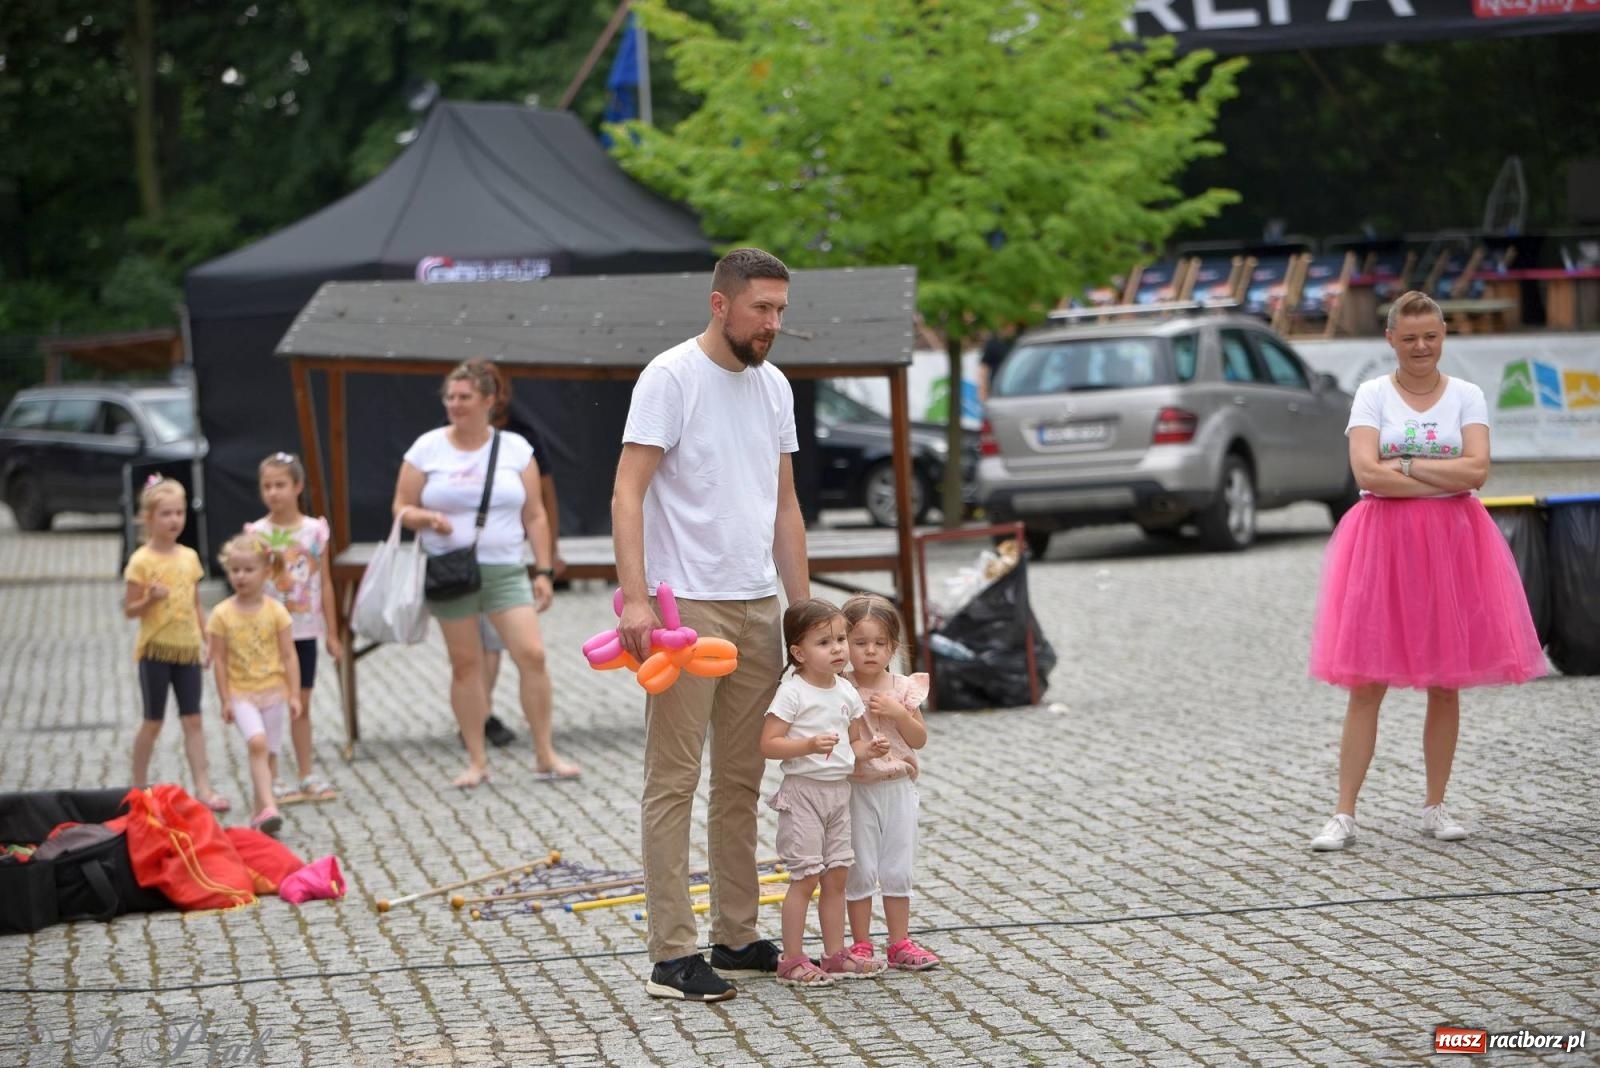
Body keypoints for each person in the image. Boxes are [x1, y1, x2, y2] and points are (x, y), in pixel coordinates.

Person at [612, 247, 809, 1002]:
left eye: (782, 310)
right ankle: (671, 953)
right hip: (683, 605)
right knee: (674, 780)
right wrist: (635, 598)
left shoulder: (775, 385)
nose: (774, 324)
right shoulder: (670, 377)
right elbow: (627, 493)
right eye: (762, 308)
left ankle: (735, 933)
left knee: (743, 777)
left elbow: (784, 505)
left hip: (759, 603)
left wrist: (802, 614)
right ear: (721, 304)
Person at [1306, 291, 1545, 852]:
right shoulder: (1371, 394)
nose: (1421, 347)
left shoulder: (1467, 394)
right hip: (1382, 542)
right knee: (1366, 684)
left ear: (1443, 336)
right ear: (1390, 339)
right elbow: (1366, 469)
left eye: (1431, 336)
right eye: (1409, 337)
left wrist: (1407, 464)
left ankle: (1435, 806)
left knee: (1445, 682)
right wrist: (1441, 473)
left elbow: (1478, 471)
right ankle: (1344, 813)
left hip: (1452, 544)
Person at [392, 358, 575, 788]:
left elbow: (535, 515)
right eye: (449, 397)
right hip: (449, 570)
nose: (455, 405)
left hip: (506, 567)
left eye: (464, 397)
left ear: (488, 401)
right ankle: (476, 760)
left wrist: (544, 570)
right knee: (465, 664)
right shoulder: (427, 448)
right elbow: (400, 507)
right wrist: (423, 517)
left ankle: (545, 753)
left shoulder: (515, 449)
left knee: (532, 654)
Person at [761, 598, 888, 987]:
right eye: (824, 642)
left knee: (837, 876)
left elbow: (851, 746)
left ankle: (834, 955)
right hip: (803, 794)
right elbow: (769, 744)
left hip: (838, 794)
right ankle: (792, 959)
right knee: (805, 877)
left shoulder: (846, 692)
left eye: (840, 639)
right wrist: (808, 745)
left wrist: (871, 749)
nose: (837, 649)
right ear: (798, 652)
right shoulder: (792, 692)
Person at [841, 594, 940, 971]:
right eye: (860, 643)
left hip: (896, 786)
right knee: (859, 866)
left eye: (879, 644)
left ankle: (899, 941)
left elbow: (919, 740)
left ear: (893, 647)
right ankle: (861, 943)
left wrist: (900, 713)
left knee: (898, 865)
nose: (870, 652)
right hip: (855, 787)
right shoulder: (840, 687)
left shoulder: (903, 687)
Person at [123, 477, 224, 810]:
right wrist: (149, 600)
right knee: (153, 721)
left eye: (179, 513)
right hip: (155, 651)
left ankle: (204, 788)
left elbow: (196, 604)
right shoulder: (141, 560)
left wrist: (207, 638)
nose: (174, 520)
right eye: (166, 513)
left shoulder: (190, 558)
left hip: (187, 650)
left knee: (193, 719)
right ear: (149, 517)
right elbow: (129, 610)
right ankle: (137, 787)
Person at [248, 452, 342, 799]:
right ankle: (271, 776)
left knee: (301, 702)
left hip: (303, 631)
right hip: (268, 634)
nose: (273, 493)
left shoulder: (314, 530)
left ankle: (306, 772)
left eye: (280, 485)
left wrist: (331, 632)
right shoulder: (258, 534)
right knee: (271, 703)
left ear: (298, 486)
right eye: (267, 486)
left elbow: (326, 583)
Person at [206, 533, 302, 835]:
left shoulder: (276, 611)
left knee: (270, 753)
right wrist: (224, 699)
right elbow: (219, 660)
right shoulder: (221, 614)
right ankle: (270, 805)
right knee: (257, 743)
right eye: (235, 570)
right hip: (241, 694)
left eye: (248, 570)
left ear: (265, 572)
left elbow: (289, 655)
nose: (241, 576)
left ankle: (259, 812)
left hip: (273, 691)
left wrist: (295, 694)